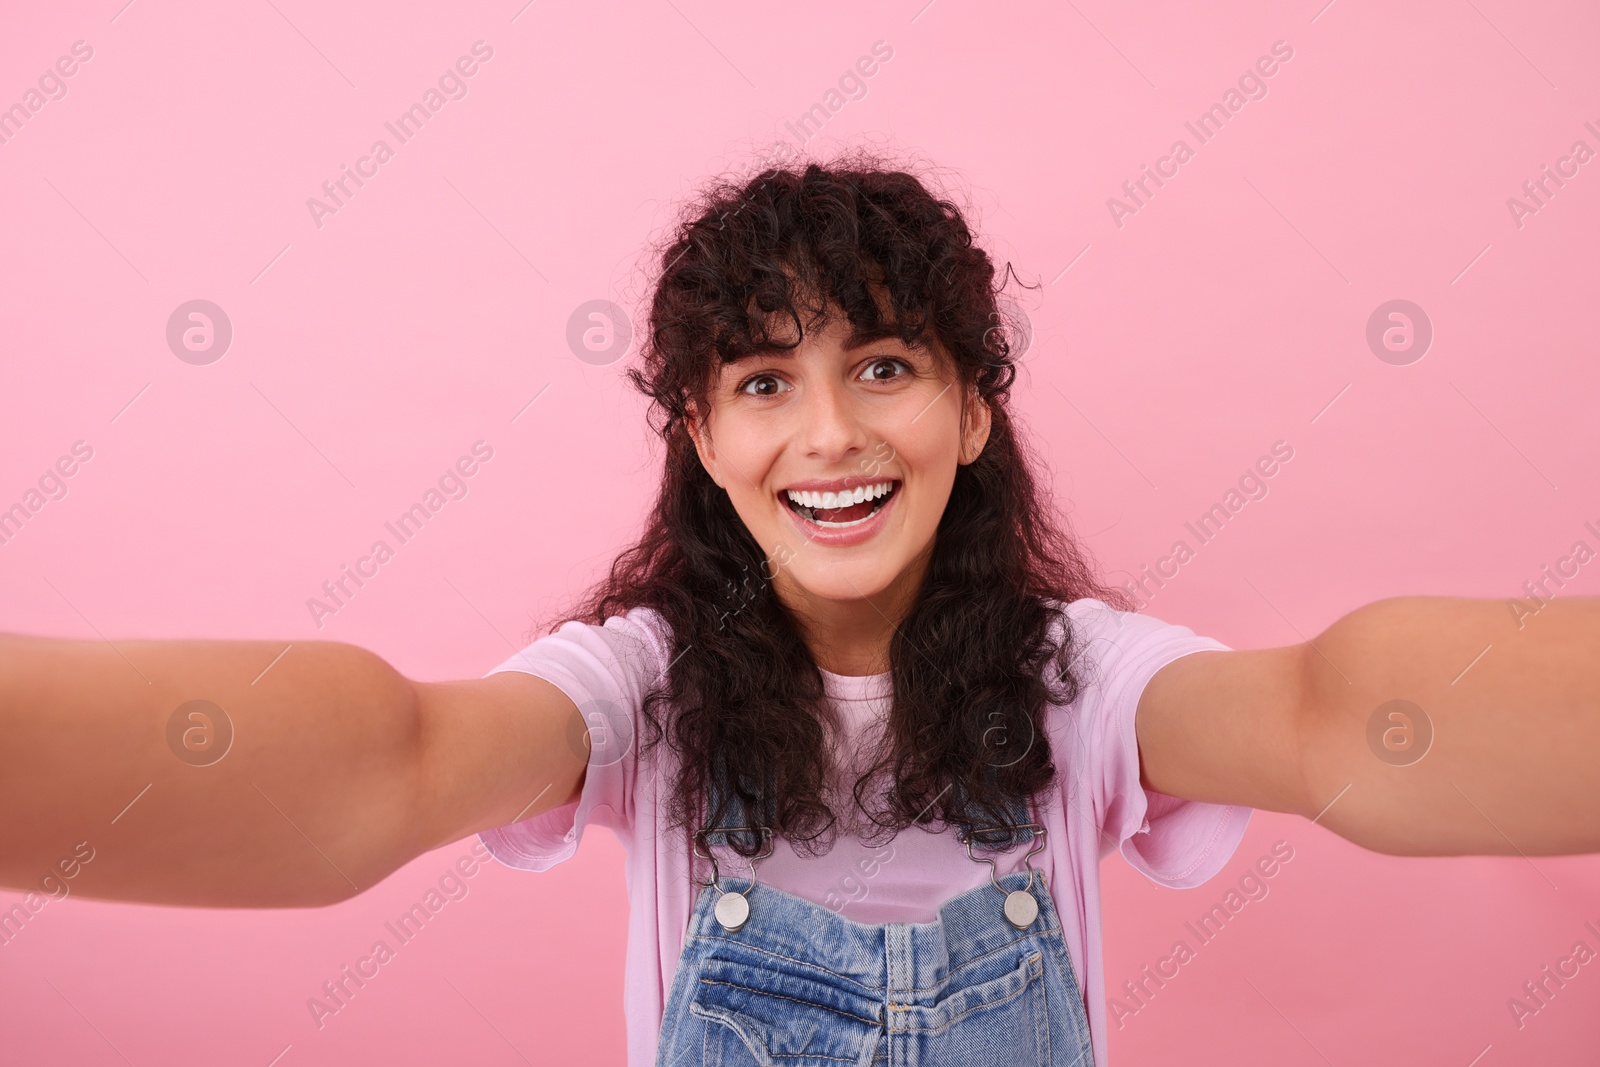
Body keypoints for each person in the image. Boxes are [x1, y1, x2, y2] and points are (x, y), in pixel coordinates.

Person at [2, 153, 1596, 1067]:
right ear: (702, 438)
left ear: (974, 412)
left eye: (883, 367)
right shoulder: (638, 690)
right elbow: (393, 758)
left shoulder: (1083, 684)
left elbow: (1337, 716)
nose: (827, 434)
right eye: (765, 382)